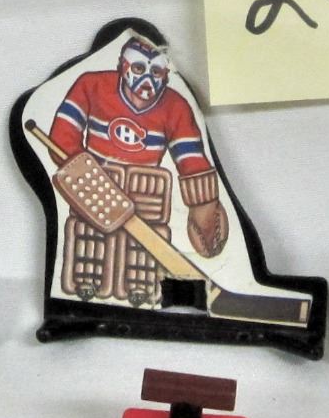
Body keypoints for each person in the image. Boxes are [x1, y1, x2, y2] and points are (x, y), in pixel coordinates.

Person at [48, 35, 228, 303]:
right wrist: (80, 173)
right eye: (139, 68)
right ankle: (87, 286)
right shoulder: (91, 85)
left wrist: (203, 201)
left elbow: (191, 158)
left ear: (165, 75)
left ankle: (139, 292)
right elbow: (63, 136)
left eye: (156, 72)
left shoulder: (176, 106)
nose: (147, 79)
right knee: (88, 238)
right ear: (123, 66)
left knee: (142, 250)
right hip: (95, 185)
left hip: (148, 193)